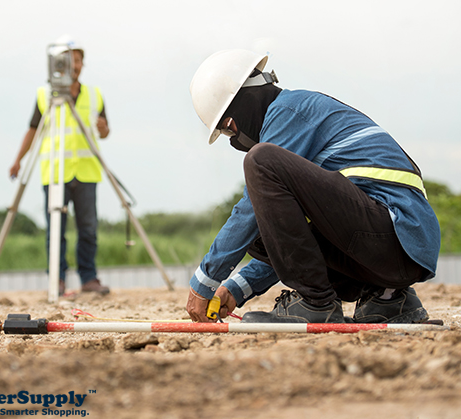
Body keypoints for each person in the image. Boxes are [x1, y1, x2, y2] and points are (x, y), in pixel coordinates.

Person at [186, 49, 440, 324]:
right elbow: (288, 235)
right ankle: (388, 298)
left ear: (234, 115)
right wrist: (236, 288)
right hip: (395, 247)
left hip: (395, 234)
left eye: (227, 129)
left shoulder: (288, 111)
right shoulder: (300, 113)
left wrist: (204, 281)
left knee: (260, 162)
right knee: (261, 230)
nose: (233, 138)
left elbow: (247, 212)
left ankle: (316, 304)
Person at [9, 35, 110, 296]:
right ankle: (58, 278)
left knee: (88, 229)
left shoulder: (95, 94)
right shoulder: (45, 95)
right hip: (55, 172)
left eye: (77, 60)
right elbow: (33, 129)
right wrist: (18, 159)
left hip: (87, 171)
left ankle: (89, 278)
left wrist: (104, 129)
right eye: (68, 60)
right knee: (56, 229)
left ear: (82, 64)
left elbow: (104, 130)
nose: (73, 65)